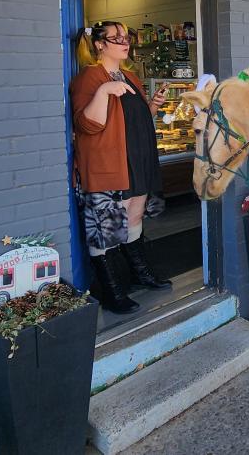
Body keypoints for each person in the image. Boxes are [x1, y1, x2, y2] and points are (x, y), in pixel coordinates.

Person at [70, 21, 172, 315]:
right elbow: (88, 125)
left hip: (138, 159)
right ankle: (112, 291)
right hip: (110, 163)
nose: (124, 42)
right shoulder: (88, 78)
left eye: (126, 37)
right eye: (116, 38)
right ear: (100, 44)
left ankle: (140, 274)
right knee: (107, 227)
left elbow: (133, 119)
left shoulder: (130, 76)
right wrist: (103, 92)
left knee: (134, 216)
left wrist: (151, 105)